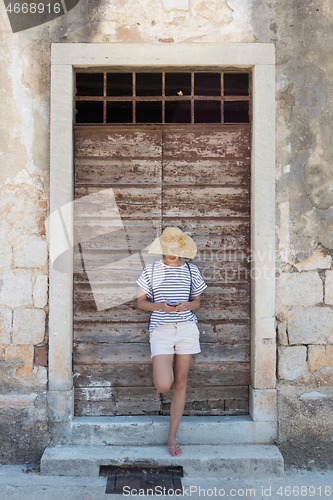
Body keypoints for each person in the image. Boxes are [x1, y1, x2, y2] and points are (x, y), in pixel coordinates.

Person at [136, 227, 207, 456]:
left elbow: (197, 302)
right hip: (161, 329)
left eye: (176, 250)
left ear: (182, 249)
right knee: (164, 385)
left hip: (186, 328)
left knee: (181, 383)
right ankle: (171, 432)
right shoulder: (151, 270)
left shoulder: (191, 270)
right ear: (162, 249)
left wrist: (185, 305)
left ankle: (172, 436)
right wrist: (161, 307)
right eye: (168, 250)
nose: (173, 253)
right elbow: (141, 302)